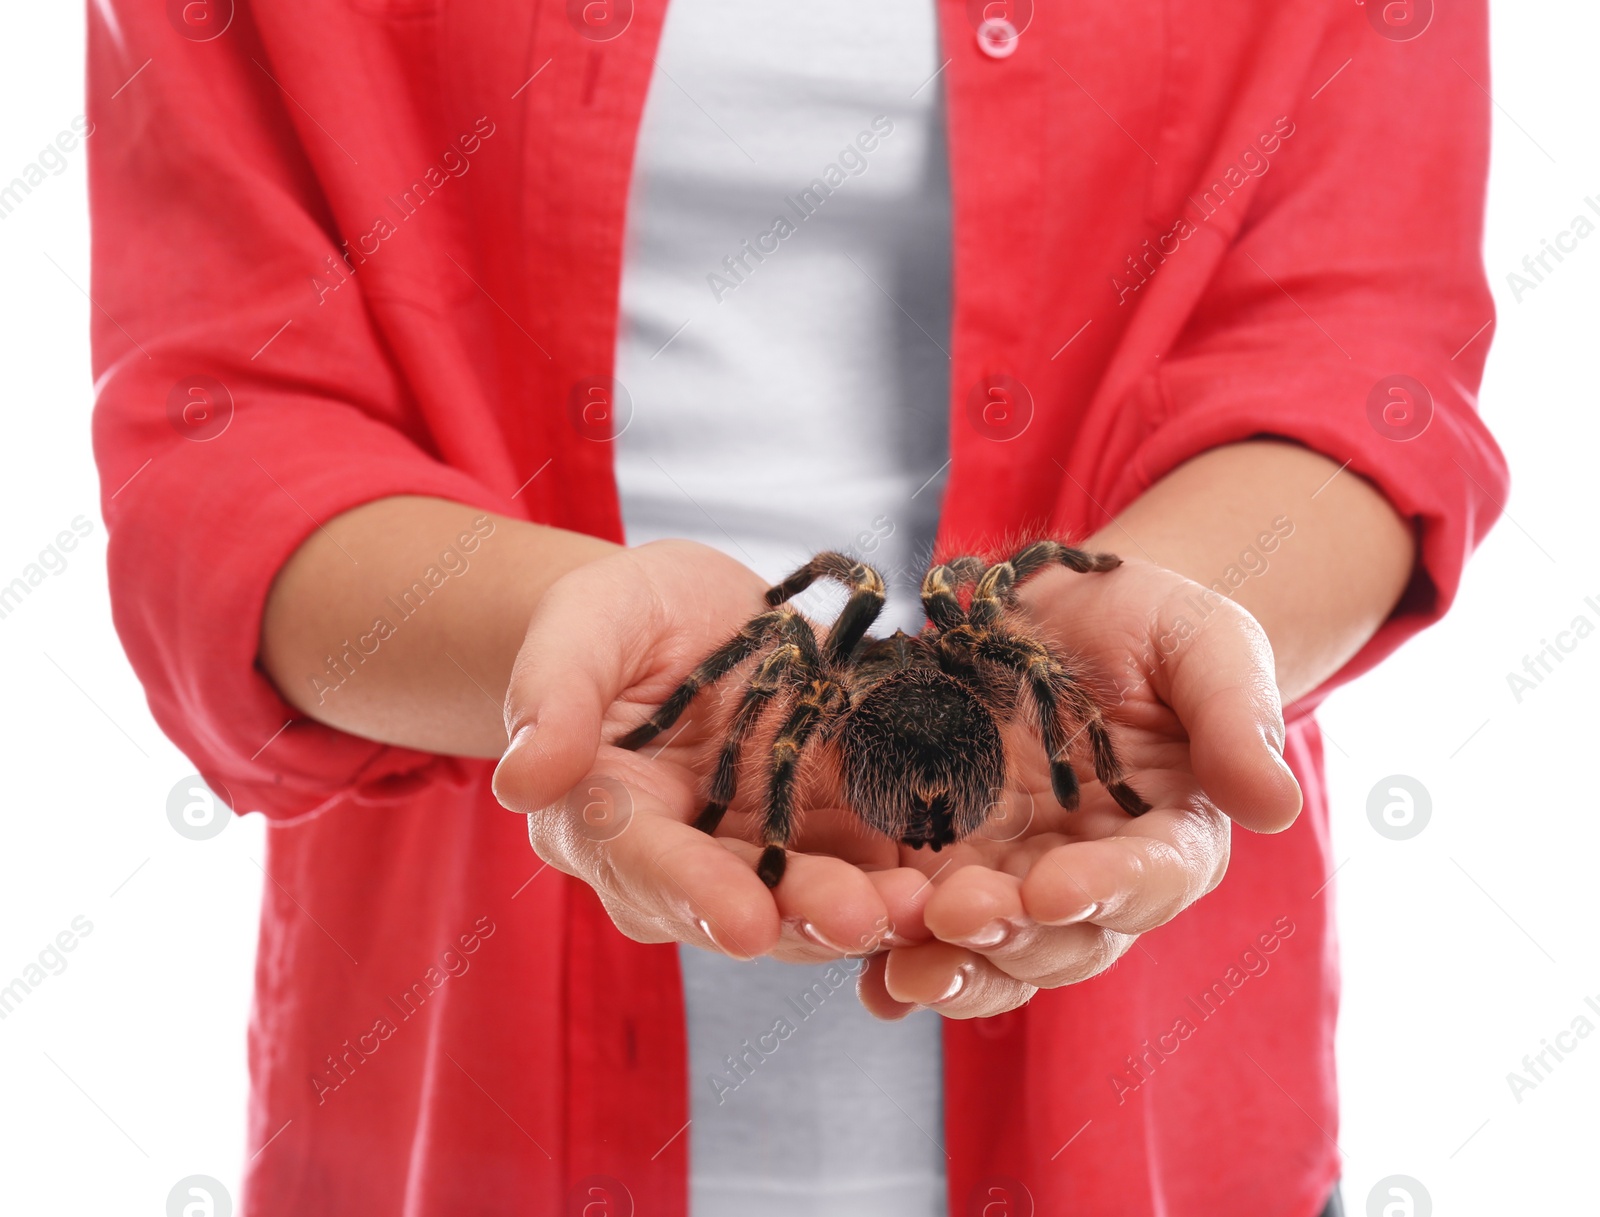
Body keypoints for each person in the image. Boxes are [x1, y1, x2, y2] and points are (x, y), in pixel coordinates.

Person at [88, 0, 1504, 1213]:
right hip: (450, 1098)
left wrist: (1169, 626)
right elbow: (228, 442)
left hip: (1166, 1121)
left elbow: (1361, 361)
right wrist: (581, 637)